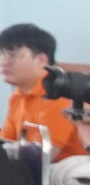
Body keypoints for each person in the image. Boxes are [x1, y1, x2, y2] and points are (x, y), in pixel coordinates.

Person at [0, 22, 76, 153]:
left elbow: (43, 157)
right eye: (2, 54)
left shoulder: (58, 94)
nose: (4, 62)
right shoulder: (18, 96)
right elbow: (6, 144)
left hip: (68, 168)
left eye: (13, 55)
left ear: (41, 60)